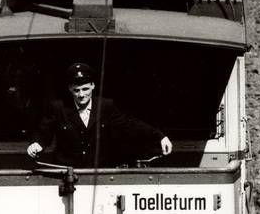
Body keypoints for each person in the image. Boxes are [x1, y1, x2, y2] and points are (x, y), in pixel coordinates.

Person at [26, 62, 172, 166]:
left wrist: (159, 136)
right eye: (76, 90)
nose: (81, 95)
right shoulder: (58, 108)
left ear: (93, 86)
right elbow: (43, 133)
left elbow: (130, 125)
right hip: (66, 172)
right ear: (70, 89)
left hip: (100, 174)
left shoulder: (106, 106)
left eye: (85, 89)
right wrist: (36, 144)